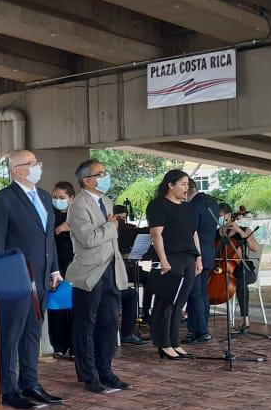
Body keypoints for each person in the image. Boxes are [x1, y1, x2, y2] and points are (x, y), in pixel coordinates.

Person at [0, 150, 63, 410]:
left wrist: (54, 269)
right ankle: (8, 389)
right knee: (11, 335)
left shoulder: (43, 196)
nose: (36, 167)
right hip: (16, 279)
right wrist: (1, 279)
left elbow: (48, 238)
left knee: (33, 332)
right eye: (30, 164)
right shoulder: (3, 199)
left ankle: (30, 383)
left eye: (36, 163)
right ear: (16, 169)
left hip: (41, 278)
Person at [66, 160, 131, 394]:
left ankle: (106, 370)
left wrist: (110, 228)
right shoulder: (78, 205)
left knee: (109, 323)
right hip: (90, 271)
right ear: (87, 180)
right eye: (100, 174)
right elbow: (89, 239)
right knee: (86, 325)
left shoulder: (106, 201)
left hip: (112, 269)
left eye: (105, 172)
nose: (105, 177)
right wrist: (112, 226)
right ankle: (89, 375)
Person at [146, 170, 204, 360]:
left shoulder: (188, 208)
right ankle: (163, 343)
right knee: (166, 302)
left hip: (188, 257)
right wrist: (163, 259)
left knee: (180, 303)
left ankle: (174, 342)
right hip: (171, 257)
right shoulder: (158, 205)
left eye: (188, 185)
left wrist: (198, 258)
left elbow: (193, 234)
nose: (187, 188)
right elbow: (156, 234)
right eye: (183, 184)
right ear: (170, 185)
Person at [185, 177, 222, 344]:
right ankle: (202, 327)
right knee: (202, 293)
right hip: (209, 251)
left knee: (194, 293)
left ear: (189, 189)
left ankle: (200, 331)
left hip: (197, 252)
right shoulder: (212, 202)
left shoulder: (193, 205)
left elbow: (191, 230)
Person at [218, 203, 262, 333]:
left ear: (229, 215)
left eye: (220, 215)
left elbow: (255, 248)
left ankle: (245, 320)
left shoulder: (245, 230)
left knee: (240, 280)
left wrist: (239, 231)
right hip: (224, 269)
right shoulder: (218, 232)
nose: (219, 218)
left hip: (245, 269)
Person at [47, 181, 77, 360]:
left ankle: (74, 347)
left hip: (76, 267)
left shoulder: (78, 214)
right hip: (56, 266)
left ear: (71, 198)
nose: (57, 200)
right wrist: (58, 230)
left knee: (75, 308)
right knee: (56, 307)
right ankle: (58, 346)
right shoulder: (50, 215)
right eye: (55, 197)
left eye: (61, 197)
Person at [115, 205, 149, 346]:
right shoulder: (109, 232)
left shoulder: (129, 230)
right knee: (131, 294)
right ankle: (127, 333)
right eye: (118, 218)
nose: (121, 222)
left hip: (127, 267)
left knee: (150, 278)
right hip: (114, 272)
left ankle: (146, 313)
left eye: (124, 218)